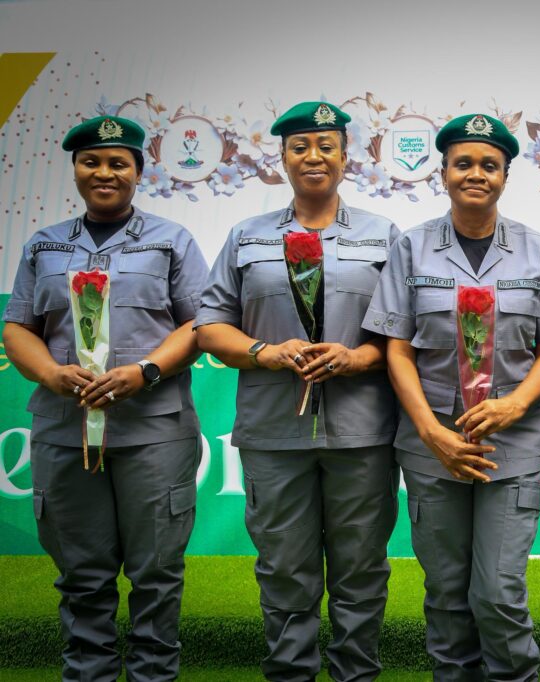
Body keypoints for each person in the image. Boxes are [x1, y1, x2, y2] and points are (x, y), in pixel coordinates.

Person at [363, 113, 540, 681]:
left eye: (489, 165)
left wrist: (515, 404)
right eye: (463, 163)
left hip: (513, 445)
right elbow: (396, 348)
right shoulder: (412, 248)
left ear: (505, 176)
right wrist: (430, 432)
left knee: (499, 592)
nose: (476, 173)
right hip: (432, 444)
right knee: (446, 592)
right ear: (443, 173)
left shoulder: (536, 249)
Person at [194, 101, 400, 681]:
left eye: (326, 146)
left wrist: (356, 357)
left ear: (345, 157)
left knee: (361, 570)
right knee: (285, 570)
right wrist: (265, 351)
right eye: (300, 147)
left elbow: (405, 334)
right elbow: (210, 327)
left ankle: (356, 674)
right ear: (282, 159)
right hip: (274, 433)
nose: (314, 156)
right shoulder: (248, 236)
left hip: (362, 434)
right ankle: (290, 673)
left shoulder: (384, 236)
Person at [1, 115, 209, 681]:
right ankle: (86, 673)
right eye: (91, 162)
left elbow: (199, 325)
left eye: (119, 163)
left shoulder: (171, 241)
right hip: (65, 431)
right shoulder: (44, 245)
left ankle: (152, 674)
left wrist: (144, 372)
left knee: (156, 575)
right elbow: (18, 328)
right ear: (75, 170)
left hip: (153, 433)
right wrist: (51, 374)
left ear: (139, 172)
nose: (104, 172)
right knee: (81, 575)